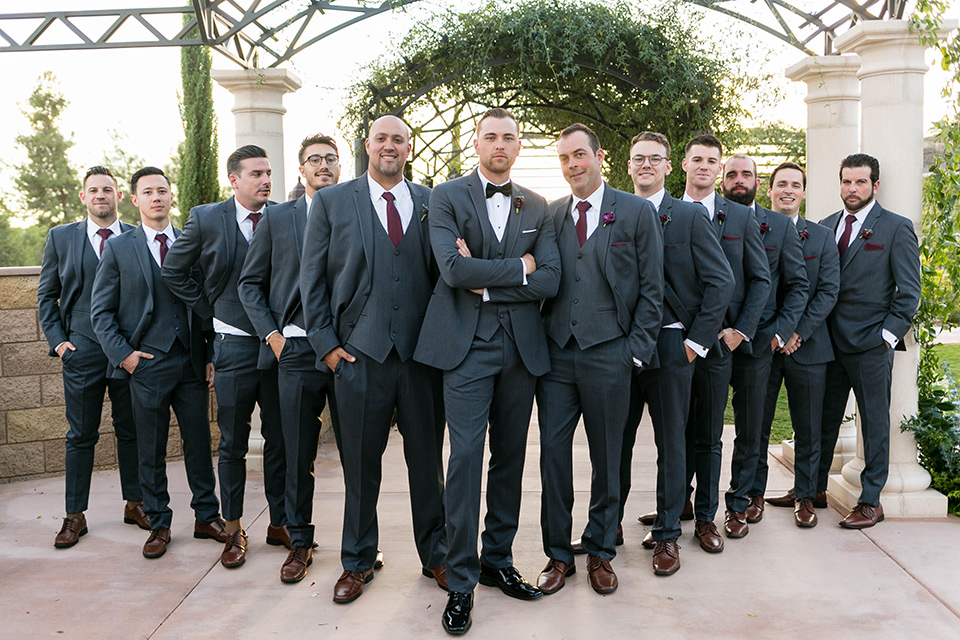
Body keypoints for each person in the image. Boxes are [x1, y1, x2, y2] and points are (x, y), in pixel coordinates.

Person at [414, 107, 560, 635]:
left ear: (519, 147)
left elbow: (550, 279)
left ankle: (498, 559)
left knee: (511, 458)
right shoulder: (446, 197)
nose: (500, 144)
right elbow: (452, 270)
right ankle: (460, 579)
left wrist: (494, 278)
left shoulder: (538, 205)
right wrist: (518, 266)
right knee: (467, 458)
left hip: (521, 350)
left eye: (510, 137)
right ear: (477, 144)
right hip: (465, 348)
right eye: (491, 136)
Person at [299, 116, 448, 603]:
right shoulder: (332, 201)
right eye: (381, 138)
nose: (390, 146)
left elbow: (445, 274)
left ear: (409, 147)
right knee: (361, 468)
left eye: (398, 139)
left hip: (421, 358)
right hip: (358, 357)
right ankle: (358, 561)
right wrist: (326, 345)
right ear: (368, 146)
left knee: (427, 464)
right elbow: (312, 277)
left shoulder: (431, 202)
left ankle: (438, 557)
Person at [535, 123, 663, 594]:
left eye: (580, 155)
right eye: (565, 158)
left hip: (611, 352)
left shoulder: (633, 211)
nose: (573, 165)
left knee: (608, 457)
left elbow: (653, 288)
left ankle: (601, 550)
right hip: (555, 356)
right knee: (552, 455)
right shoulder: (550, 215)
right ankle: (557, 555)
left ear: (599, 156)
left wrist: (634, 351)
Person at [162, 145, 288, 568]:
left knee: (280, 440)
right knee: (233, 443)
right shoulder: (205, 218)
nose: (265, 180)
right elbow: (173, 271)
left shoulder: (284, 217)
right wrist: (209, 309)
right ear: (234, 179)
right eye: (256, 173)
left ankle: (280, 522)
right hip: (232, 346)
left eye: (268, 172)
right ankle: (233, 531)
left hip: (277, 346)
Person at [613, 131, 732, 575]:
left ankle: (667, 536)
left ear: (668, 166)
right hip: (622, 346)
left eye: (655, 158)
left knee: (672, 444)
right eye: (638, 158)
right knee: (615, 443)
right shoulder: (617, 213)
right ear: (627, 166)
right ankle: (608, 527)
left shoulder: (687, 216)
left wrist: (695, 343)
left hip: (670, 344)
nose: (646, 164)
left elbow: (721, 281)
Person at [90, 167, 224, 559]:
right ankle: (159, 523)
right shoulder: (119, 247)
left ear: (171, 196)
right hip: (145, 363)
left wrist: (211, 354)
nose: (156, 198)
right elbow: (101, 313)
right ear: (135, 200)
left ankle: (206, 515)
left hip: (191, 362)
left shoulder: (189, 242)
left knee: (199, 443)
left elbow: (208, 307)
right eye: (147, 192)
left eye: (162, 191)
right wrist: (126, 357)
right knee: (150, 448)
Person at [238, 134, 342, 583]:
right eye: (313, 160)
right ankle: (299, 542)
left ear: (340, 167)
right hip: (296, 350)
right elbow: (249, 284)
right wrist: (274, 336)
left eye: (330, 159)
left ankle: (361, 545)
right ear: (301, 170)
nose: (322, 165)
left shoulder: (357, 209)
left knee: (358, 453)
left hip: (348, 351)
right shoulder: (278, 218)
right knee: (298, 453)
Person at [38, 166, 146, 548]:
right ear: (83, 196)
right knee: (80, 435)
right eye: (94, 190)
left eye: (108, 190)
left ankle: (136, 503)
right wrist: (60, 342)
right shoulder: (61, 237)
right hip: (81, 351)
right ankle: (74, 515)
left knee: (131, 431)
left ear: (119, 196)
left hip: (126, 352)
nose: (101, 195)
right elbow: (46, 295)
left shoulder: (137, 236)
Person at [816, 154, 920, 529]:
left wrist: (886, 338)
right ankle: (812, 489)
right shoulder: (825, 226)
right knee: (823, 419)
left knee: (874, 423)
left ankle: (871, 500)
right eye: (847, 182)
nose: (852, 189)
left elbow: (908, 292)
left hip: (871, 345)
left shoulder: (895, 228)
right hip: (827, 343)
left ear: (875, 185)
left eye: (860, 182)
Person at [680, 134, 770, 553]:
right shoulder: (666, 212)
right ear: (683, 164)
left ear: (718, 169)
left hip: (722, 343)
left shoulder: (738, 217)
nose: (704, 166)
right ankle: (672, 507)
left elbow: (760, 280)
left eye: (711, 161)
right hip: (676, 343)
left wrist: (740, 331)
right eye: (697, 159)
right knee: (674, 432)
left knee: (711, 435)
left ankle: (706, 517)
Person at [719, 155, 808, 536]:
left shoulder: (780, 227)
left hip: (758, 346)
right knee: (697, 429)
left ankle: (740, 502)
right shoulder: (707, 218)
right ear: (723, 181)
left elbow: (797, 286)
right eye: (732, 174)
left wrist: (776, 334)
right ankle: (687, 500)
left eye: (747, 174)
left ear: (759, 183)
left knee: (750, 429)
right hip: (709, 342)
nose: (740, 180)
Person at [755, 162, 839, 527]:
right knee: (756, 425)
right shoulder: (753, 230)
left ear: (803, 192)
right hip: (763, 346)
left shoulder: (821, 237)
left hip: (809, 347)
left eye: (795, 185)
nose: (788, 190)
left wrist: (796, 333)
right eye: (781, 184)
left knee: (809, 427)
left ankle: (805, 496)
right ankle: (752, 495)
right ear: (769, 191)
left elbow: (827, 291)